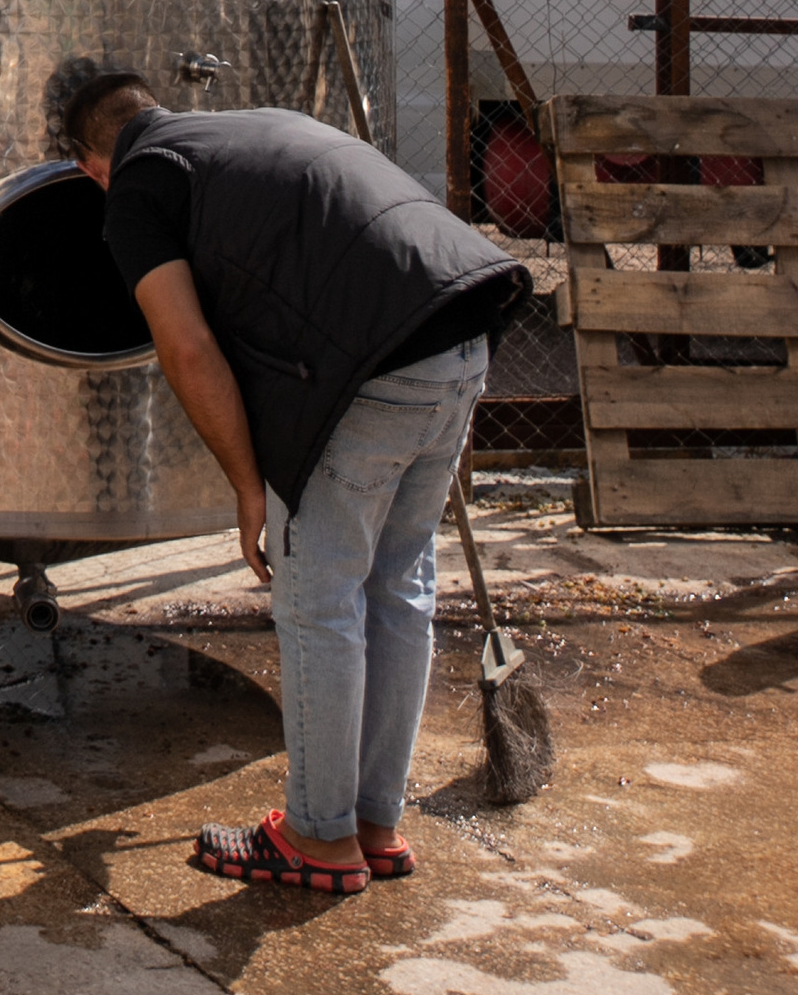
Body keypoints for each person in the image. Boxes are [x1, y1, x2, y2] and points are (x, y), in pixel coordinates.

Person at [63, 63, 528, 899]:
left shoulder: (137, 183)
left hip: (374, 370)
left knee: (319, 602)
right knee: (398, 586)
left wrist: (248, 488)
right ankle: (374, 825)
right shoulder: (253, 126)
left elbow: (186, 347)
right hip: (467, 326)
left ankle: (317, 839)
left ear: (88, 165)